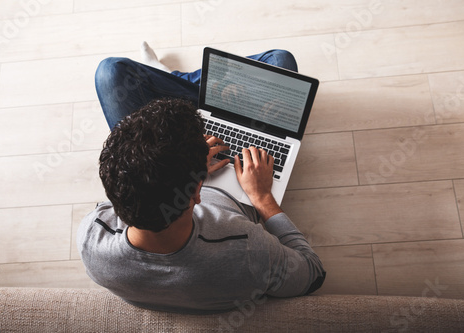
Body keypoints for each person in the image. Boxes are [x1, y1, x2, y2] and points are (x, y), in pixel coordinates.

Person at [77, 44, 326, 314]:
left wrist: (166, 162)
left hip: (166, 178)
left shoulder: (92, 238)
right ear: (197, 190)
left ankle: (177, 84)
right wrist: (263, 197)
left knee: (110, 72)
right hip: (241, 190)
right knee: (281, 61)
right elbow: (312, 273)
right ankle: (189, 86)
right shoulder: (246, 250)